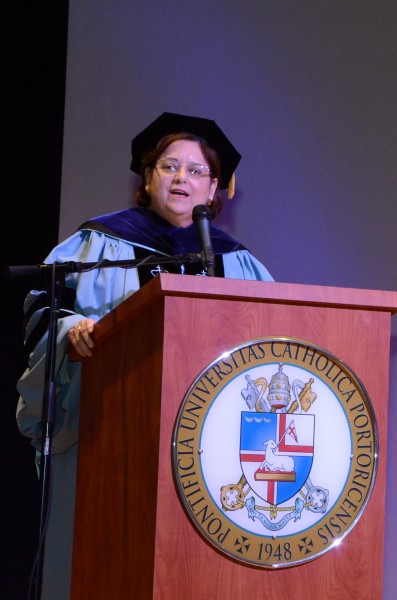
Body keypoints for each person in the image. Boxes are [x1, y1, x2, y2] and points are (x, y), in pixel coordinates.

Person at [16, 112, 274, 599]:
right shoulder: (98, 242)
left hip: (212, 447)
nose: (181, 179)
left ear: (215, 187)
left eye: (196, 171)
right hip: (108, 425)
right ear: (148, 175)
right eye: (169, 166)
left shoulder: (239, 263)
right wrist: (72, 328)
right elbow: (41, 303)